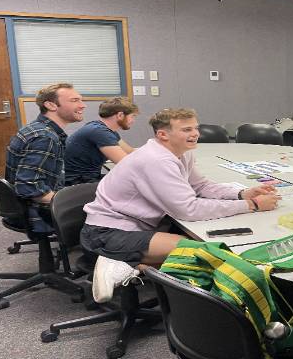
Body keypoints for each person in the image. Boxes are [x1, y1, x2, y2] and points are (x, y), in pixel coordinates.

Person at [81, 108, 280, 302]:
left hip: (134, 226)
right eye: (186, 130)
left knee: (199, 250)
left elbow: (201, 186)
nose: (195, 134)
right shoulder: (156, 160)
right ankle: (121, 259)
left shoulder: (181, 152)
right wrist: (251, 204)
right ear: (163, 134)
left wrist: (241, 193)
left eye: (195, 128)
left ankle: (132, 263)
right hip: (107, 233)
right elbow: (188, 209)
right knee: (205, 254)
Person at [5, 83, 86, 232]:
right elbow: (29, 187)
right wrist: (71, 202)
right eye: (75, 100)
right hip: (36, 213)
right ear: (51, 105)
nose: (83, 105)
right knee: (106, 209)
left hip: (24, 206)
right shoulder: (45, 138)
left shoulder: (37, 128)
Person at [64, 97, 139, 185]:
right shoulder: (99, 132)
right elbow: (126, 163)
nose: (133, 121)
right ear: (120, 115)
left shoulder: (103, 129)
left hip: (87, 178)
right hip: (78, 183)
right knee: (133, 185)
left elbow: (130, 151)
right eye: (132, 116)